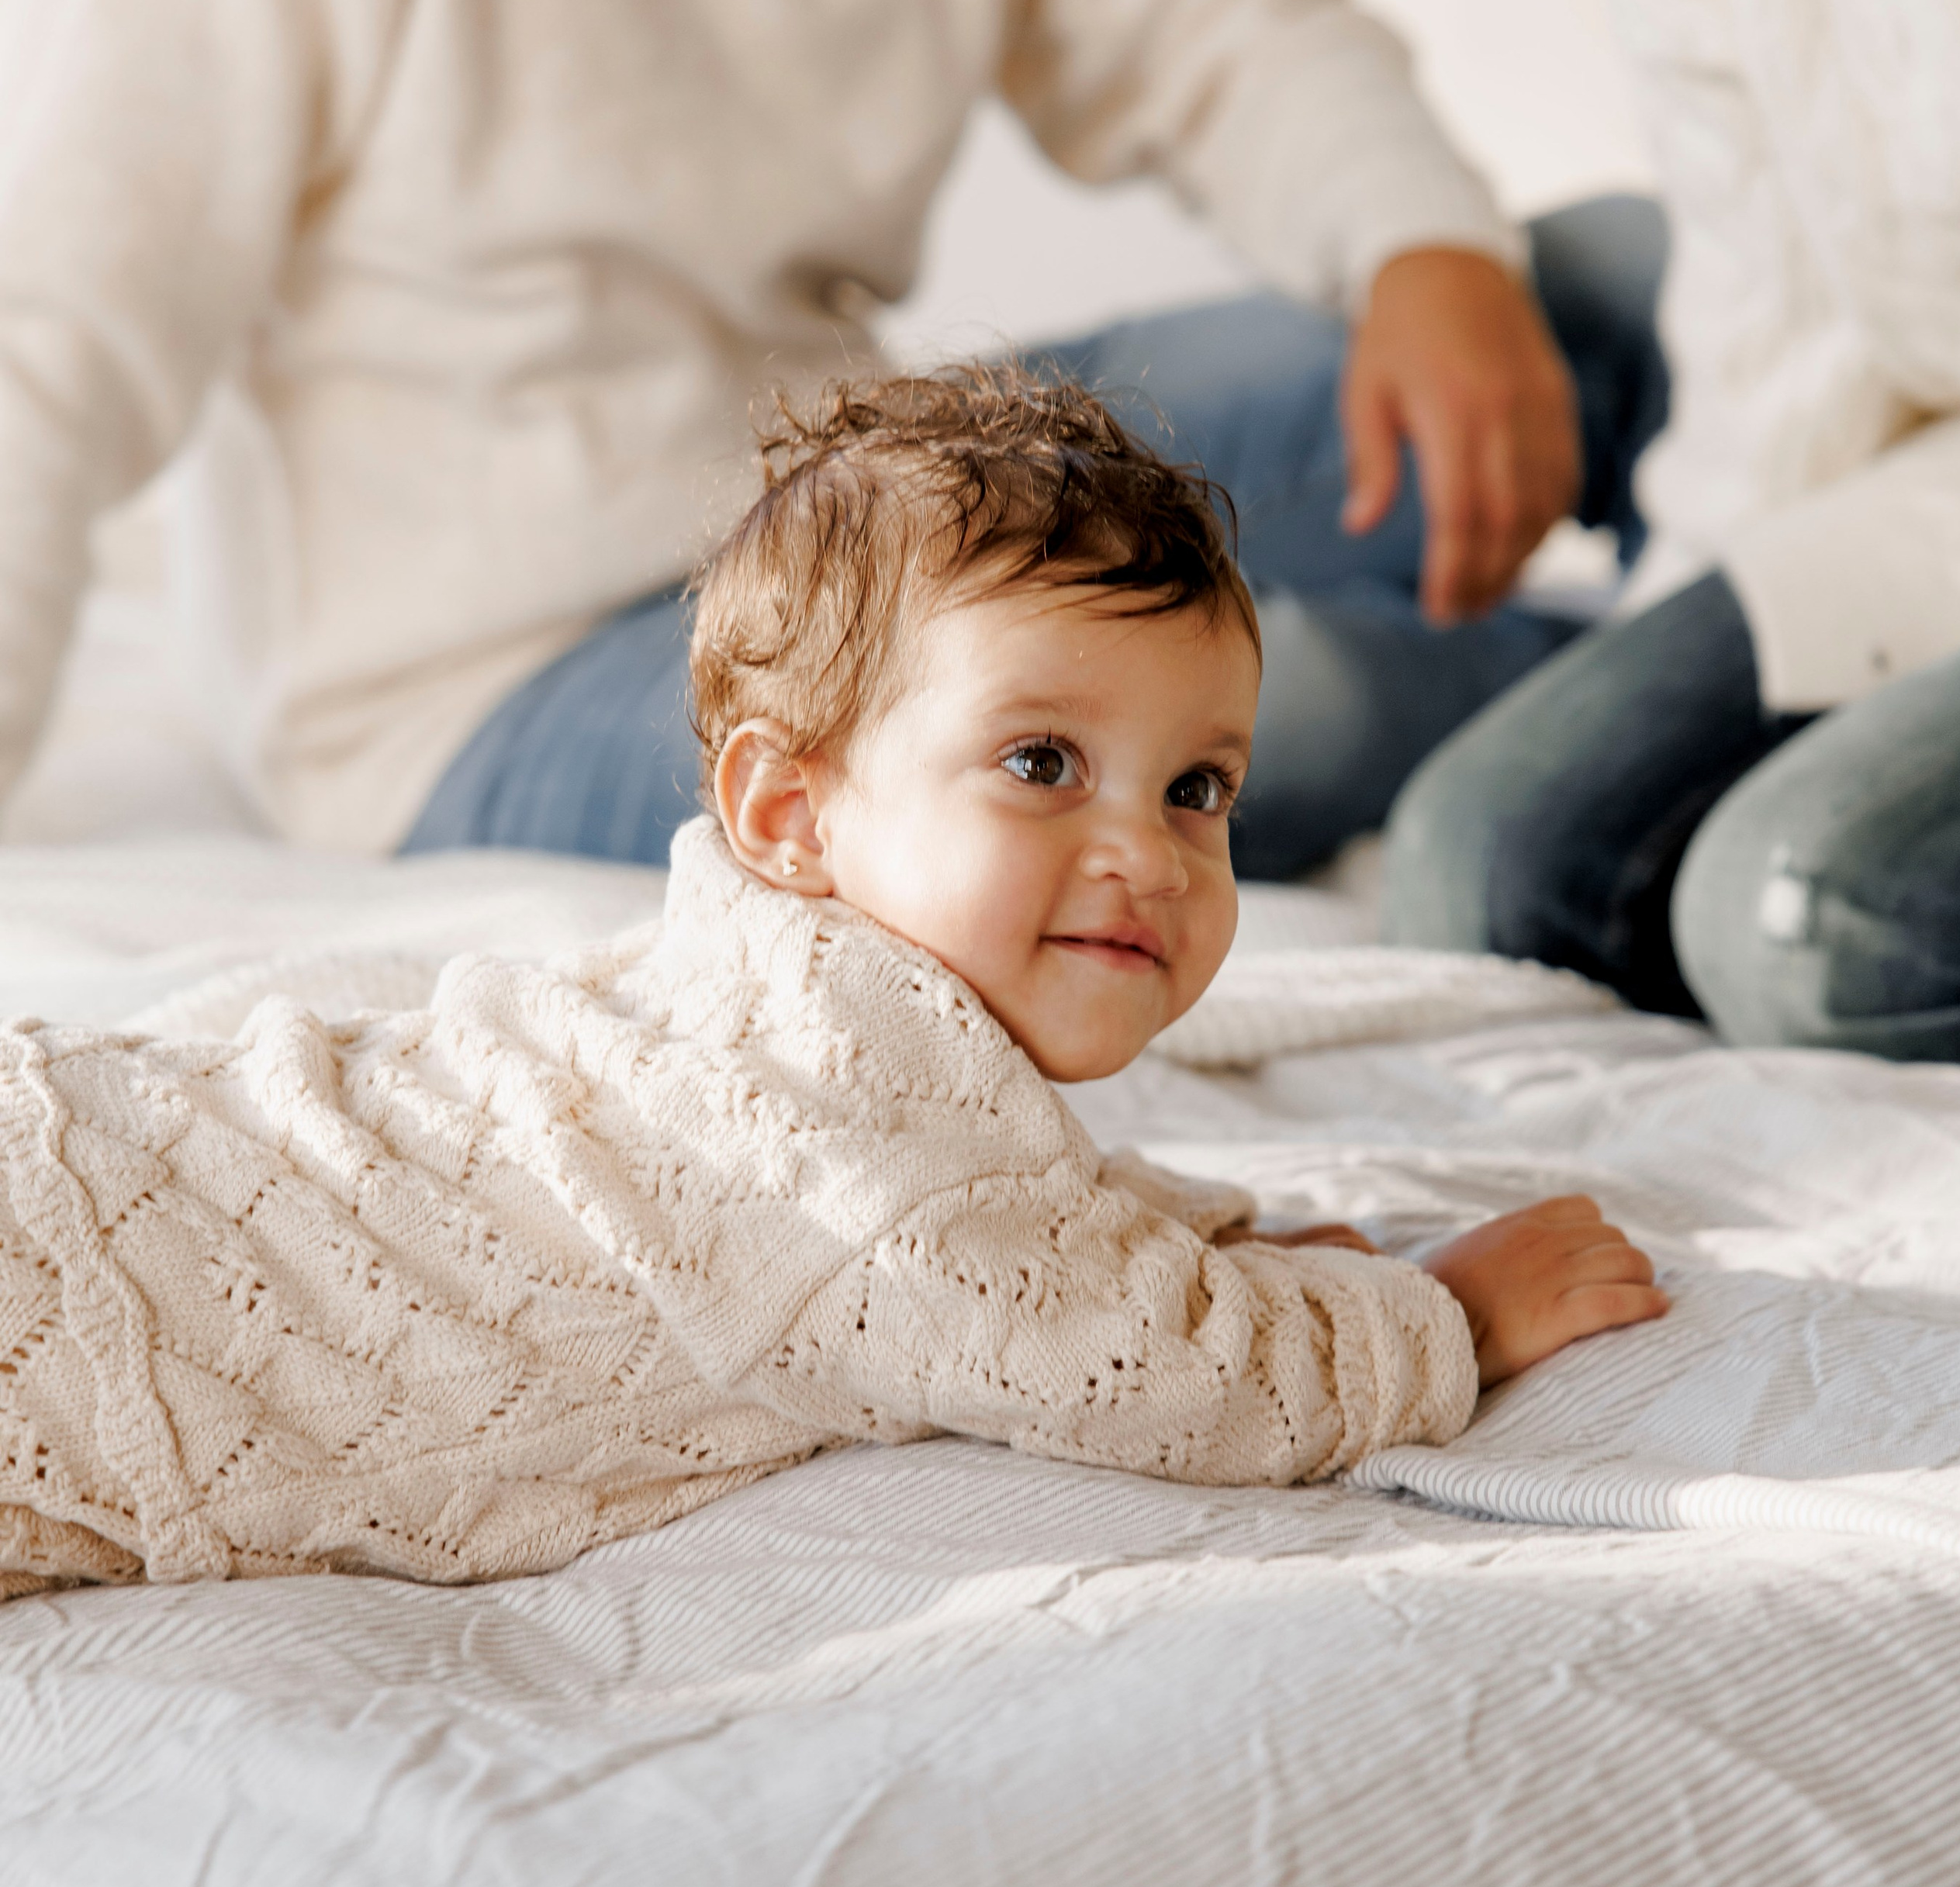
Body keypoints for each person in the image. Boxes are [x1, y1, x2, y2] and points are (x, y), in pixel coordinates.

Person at [0, 0, 1661, 883]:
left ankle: (1838, 606)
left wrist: (1422, 247)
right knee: (1256, 711)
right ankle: (1756, 713)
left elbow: (1228, 24)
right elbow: (54, 322)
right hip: (488, 683)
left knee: (1586, 286)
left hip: (848, 499)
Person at [0, 367, 1667, 1603]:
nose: (1148, 855)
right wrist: (1433, 1317)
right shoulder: (870, 1140)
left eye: (1197, 789)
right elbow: (1171, 1375)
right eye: (1039, 762)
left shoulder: (776, 1010)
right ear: (788, 814)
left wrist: (1192, 1233)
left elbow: (985, 1216)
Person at [1388, 0, 1960, 1061]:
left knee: (1814, 920)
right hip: (1956, 468)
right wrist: (1696, 644)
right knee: (1482, 868)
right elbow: (1767, 262)